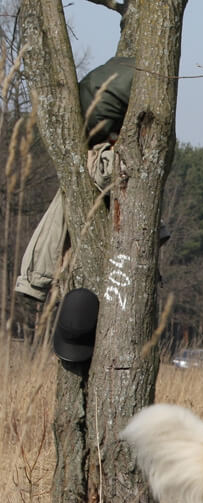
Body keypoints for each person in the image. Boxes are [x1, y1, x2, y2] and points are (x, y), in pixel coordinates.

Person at [13, 57, 133, 340]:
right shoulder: (137, 76)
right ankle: (35, 279)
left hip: (91, 118)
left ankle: (34, 280)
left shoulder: (114, 77)